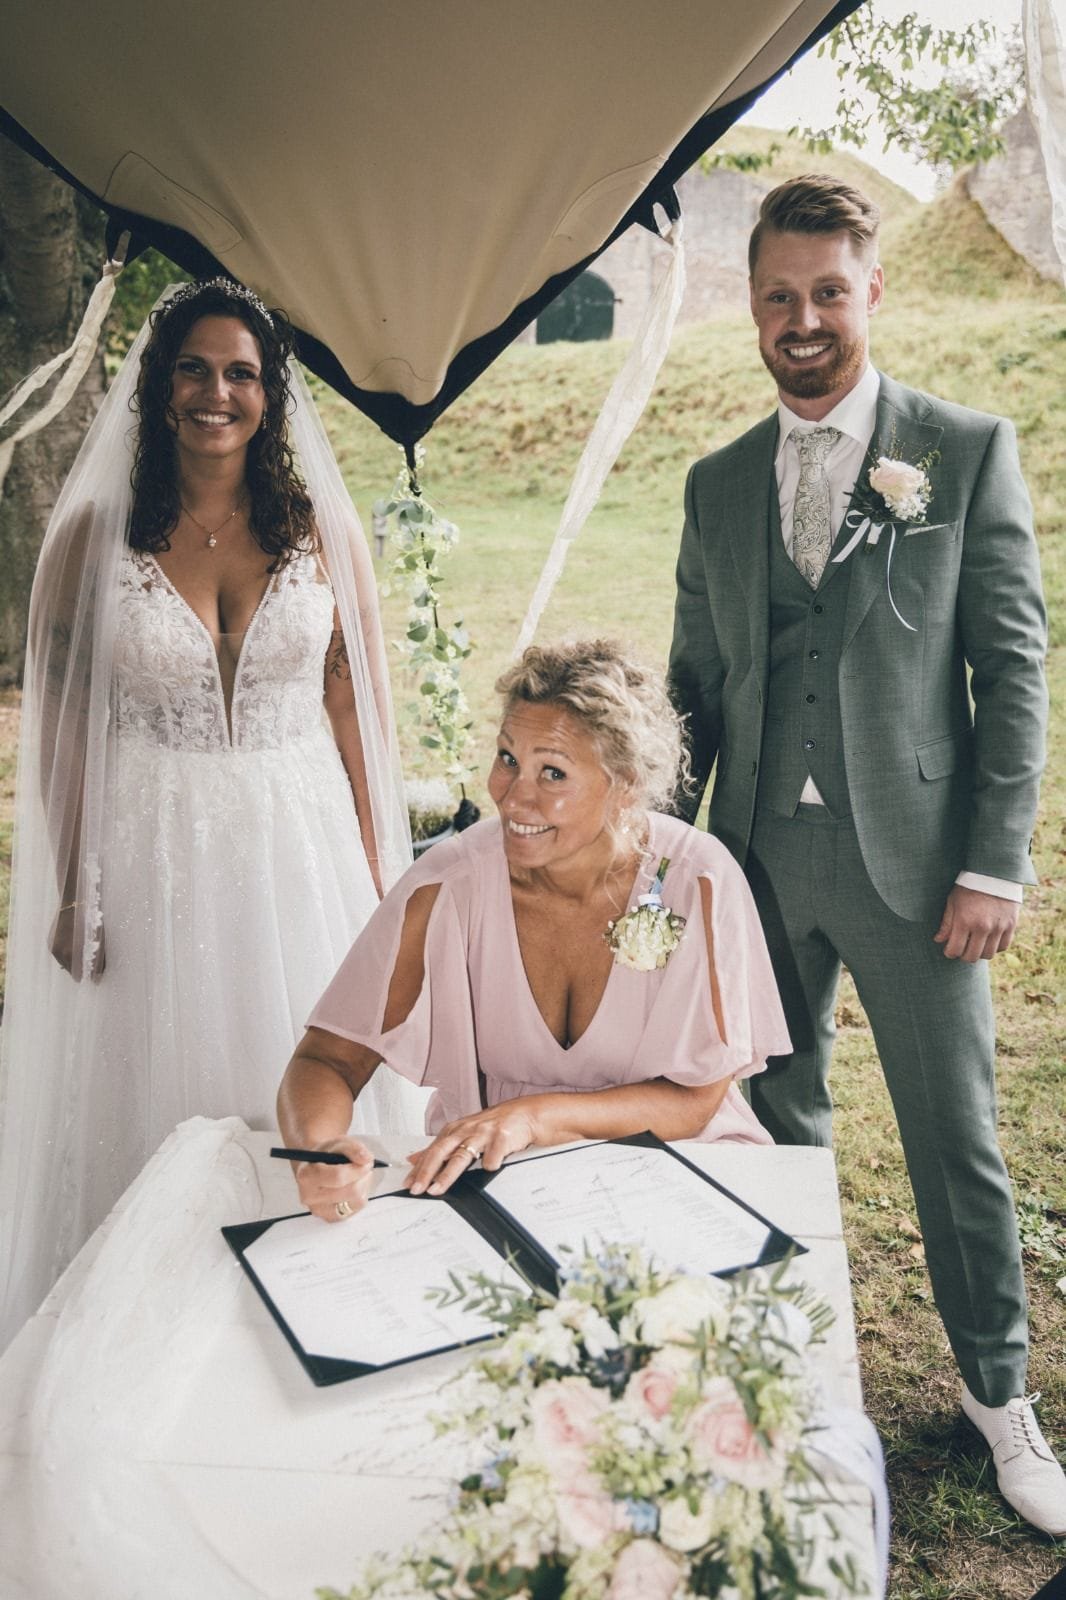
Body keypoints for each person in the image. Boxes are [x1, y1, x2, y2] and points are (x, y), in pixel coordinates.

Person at [669, 175, 1064, 1534]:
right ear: (750, 304)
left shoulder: (962, 450)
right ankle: (792, 1368)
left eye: (827, 292)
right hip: (757, 862)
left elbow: (1013, 671)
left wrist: (993, 863)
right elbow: (691, 684)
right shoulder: (716, 483)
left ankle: (998, 1396)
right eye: (777, 296)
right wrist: (659, 851)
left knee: (954, 1137)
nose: (802, 319)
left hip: (917, 868)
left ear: (871, 291)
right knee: (770, 1122)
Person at [0, 278, 427, 1350]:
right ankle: (153, 1327)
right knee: (159, 1090)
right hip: (154, 845)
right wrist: (74, 882)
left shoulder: (323, 532)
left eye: (241, 373)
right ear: (159, 385)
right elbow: (63, 725)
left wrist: (381, 869)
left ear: (271, 396)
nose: (216, 393)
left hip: (302, 843)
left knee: (305, 1057)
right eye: (193, 369)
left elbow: (356, 703)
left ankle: (321, 1311)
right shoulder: (92, 537)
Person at [277, 639, 791, 1214]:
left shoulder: (698, 881)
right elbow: (328, 1058)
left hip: (677, 1164)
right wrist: (316, 1152)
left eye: (552, 773)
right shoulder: (449, 886)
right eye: (507, 759)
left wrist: (532, 1118)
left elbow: (694, 1103)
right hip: (500, 1180)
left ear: (624, 785)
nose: (514, 797)